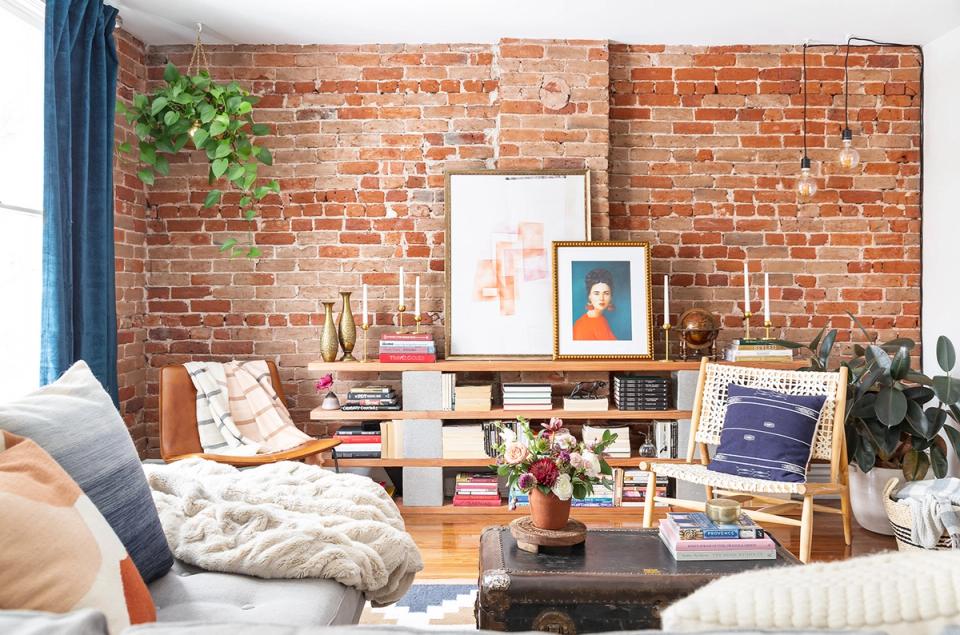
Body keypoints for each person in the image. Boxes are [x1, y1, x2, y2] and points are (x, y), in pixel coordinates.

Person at [572, 268, 617, 340]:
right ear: (589, 296)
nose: (601, 298)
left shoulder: (602, 319)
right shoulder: (582, 326)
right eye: (596, 293)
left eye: (606, 293)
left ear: (611, 296)